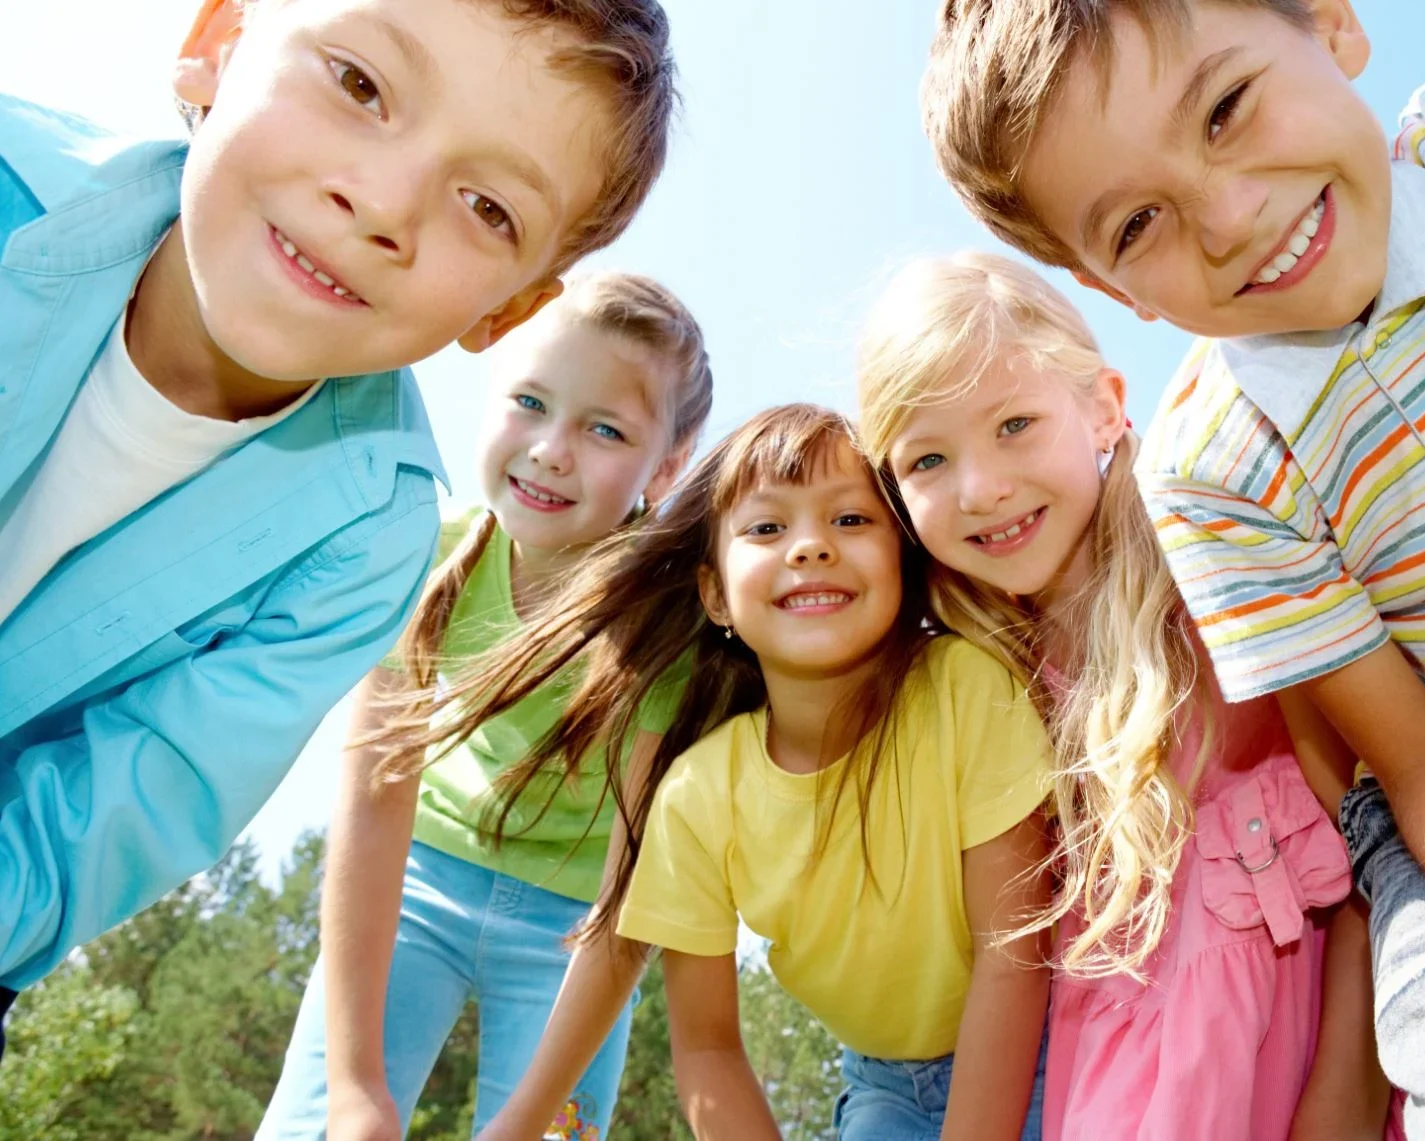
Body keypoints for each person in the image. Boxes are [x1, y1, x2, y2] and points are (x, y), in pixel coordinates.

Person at [921, 2, 1425, 1137]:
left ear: (1333, 24)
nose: (1232, 215)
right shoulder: (1206, 470)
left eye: (1227, 107)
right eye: (1141, 222)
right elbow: (1421, 769)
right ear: (1115, 291)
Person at [0, 0, 680, 1045]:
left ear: (502, 313)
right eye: (360, 84)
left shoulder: (367, 539)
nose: (383, 205)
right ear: (215, 46)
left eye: (487, 207)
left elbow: (105, 825)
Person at [393, 404, 1055, 1140]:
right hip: (882, 1084)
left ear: (902, 557)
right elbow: (707, 1045)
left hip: (1042, 1049)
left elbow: (1014, 953)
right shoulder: (697, 794)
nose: (809, 547)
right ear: (714, 595)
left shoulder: (964, 688)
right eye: (767, 528)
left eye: (850, 521)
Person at [856, 250, 1392, 1140]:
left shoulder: (1220, 583)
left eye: (1014, 425)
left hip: (1301, 1061)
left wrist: (1346, 1092)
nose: (979, 486)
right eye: (927, 460)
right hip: (1115, 1081)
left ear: (1103, 407)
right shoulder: (978, 681)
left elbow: (1374, 836)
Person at [257, 273, 711, 1140]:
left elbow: (628, 901)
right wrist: (355, 1085)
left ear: (666, 467)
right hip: (414, 881)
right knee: (320, 1124)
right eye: (530, 402)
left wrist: (533, 1113)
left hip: (573, 934)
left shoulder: (667, 633)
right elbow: (372, 797)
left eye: (604, 428)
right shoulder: (422, 557)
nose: (549, 449)